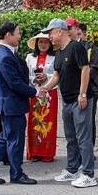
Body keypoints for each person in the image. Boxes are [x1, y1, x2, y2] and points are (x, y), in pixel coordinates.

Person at [0, 21, 40, 185]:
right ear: (8, 35)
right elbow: (14, 83)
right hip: (11, 104)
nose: (19, 36)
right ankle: (16, 174)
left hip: (6, 103)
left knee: (5, 137)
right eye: (17, 33)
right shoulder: (5, 55)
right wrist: (35, 91)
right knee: (15, 139)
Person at [41, 18, 97, 188]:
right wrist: (44, 88)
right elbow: (56, 76)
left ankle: (88, 174)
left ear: (59, 31)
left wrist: (83, 94)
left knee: (83, 138)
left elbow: (85, 69)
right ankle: (72, 169)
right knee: (71, 137)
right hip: (67, 101)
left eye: (50, 33)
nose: (49, 37)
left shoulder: (76, 47)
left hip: (79, 100)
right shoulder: (59, 53)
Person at [24, 32, 58, 162]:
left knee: (49, 122)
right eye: (40, 42)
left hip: (50, 93)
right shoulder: (29, 58)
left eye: (46, 42)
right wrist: (35, 80)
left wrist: (46, 78)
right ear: (36, 44)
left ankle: (47, 153)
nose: (43, 45)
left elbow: (58, 75)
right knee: (34, 121)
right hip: (34, 93)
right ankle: (34, 152)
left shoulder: (55, 58)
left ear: (50, 43)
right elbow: (25, 75)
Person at [78, 22, 98, 148]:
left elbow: (94, 68)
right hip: (73, 90)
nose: (78, 37)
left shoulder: (90, 48)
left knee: (89, 121)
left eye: (79, 34)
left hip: (90, 90)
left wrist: (82, 78)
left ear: (85, 34)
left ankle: (89, 148)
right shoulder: (70, 47)